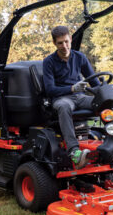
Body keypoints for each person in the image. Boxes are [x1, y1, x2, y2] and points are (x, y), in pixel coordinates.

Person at [42, 26, 100, 166]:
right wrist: (72, 88)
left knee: (105, 101)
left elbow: (95, 82)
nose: (64, 46)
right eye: (60, 43)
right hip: (61, 99)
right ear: (54, 43)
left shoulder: (80, 57)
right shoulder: (49, 62)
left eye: (66, 41)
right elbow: (50, 90)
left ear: (71, 39)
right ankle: (74, 151)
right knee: (63, 106)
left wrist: (105, 93)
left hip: (80, 97)